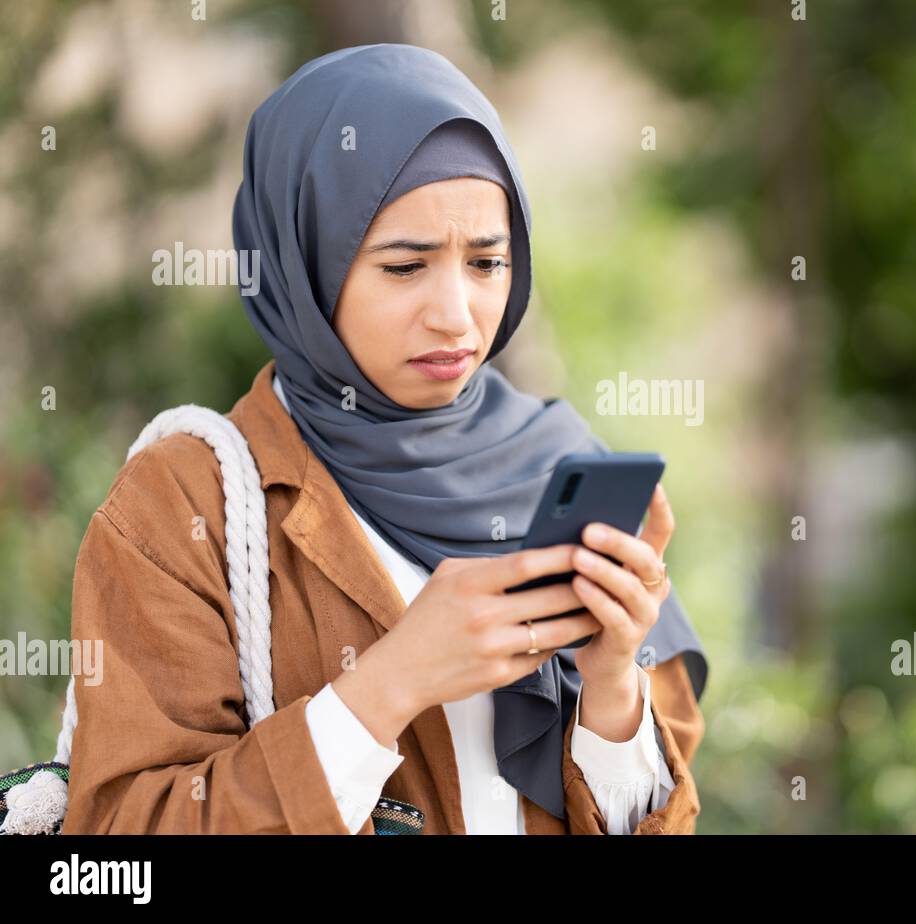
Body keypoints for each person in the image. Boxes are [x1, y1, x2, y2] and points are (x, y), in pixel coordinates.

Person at [61, 44, 708, 835]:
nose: (457, 313)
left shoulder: (559, 466)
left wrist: (611, 685)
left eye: (487, 261)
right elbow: (121, 847)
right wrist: (387, 685)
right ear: (302, 265)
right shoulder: (183, 506)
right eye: (405, 266)